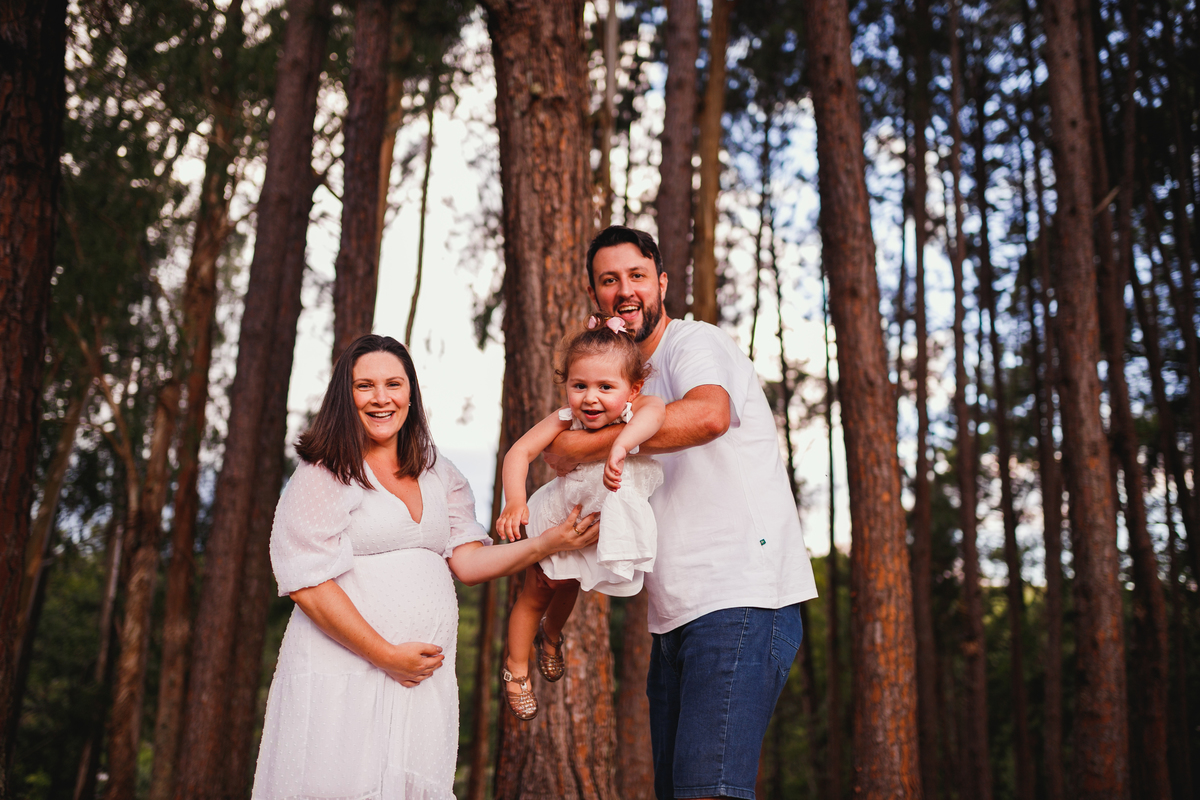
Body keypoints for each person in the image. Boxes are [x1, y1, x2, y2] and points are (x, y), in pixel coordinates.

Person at [251, 334, 600, 800]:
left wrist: (546, 543)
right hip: (344, 672)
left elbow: (470, 563)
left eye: (393, 384)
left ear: (411, 393)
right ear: (344, 396)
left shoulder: (436, 470)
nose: (381, 398)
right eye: (364, 386)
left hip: (420, 685)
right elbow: (307, 583)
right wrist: (383, 653)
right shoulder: (324, 471)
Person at [545, 227, 819, 800]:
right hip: (674, 614)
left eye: (637, 276)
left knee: (709, 791)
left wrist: (598, 443)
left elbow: (709, 415)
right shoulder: (614, 380)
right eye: (609, 280)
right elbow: (556, 449)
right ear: (595, 295)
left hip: (741, 595)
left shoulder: (695, 342)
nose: (625, 290)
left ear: (661, 283)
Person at [494, 314, 666, 720]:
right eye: (579, 386)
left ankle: (551, 635)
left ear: (632, 388)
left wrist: (622, 445)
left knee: (571, 583)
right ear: (566, 385)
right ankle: (516, 670)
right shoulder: (564, 419)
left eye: (606, 387)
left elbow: (656, 413)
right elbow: (519, 453)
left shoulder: (637, 410)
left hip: (591, 528)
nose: (590, 398)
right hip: (556, 520)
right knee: (538, 590)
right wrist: (514, 501)